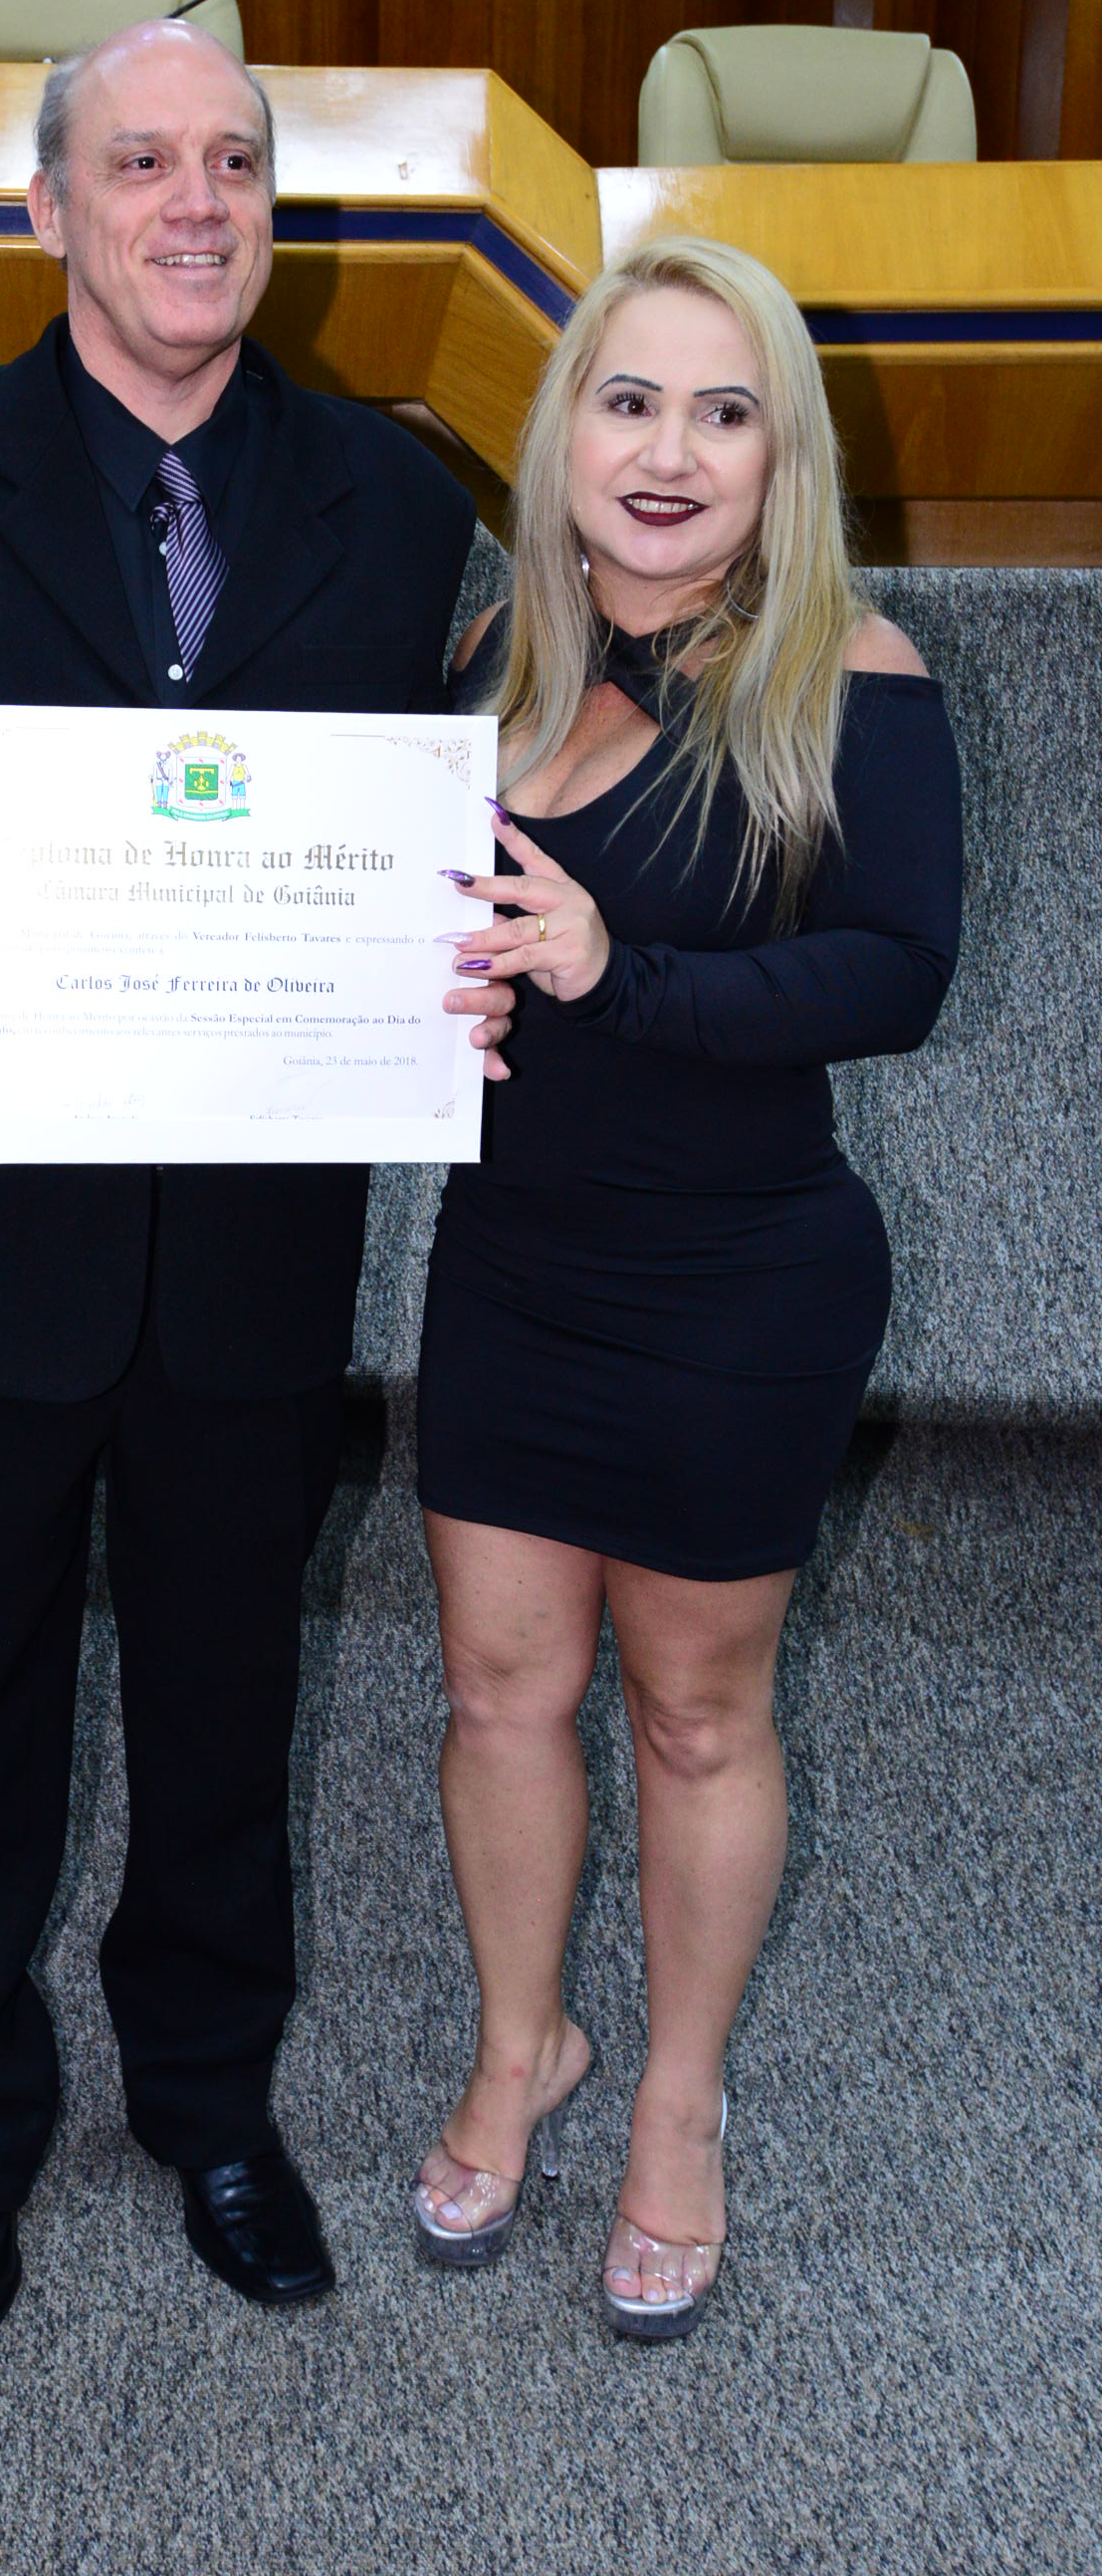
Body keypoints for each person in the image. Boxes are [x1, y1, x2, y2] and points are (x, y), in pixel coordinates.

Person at [0, 15, 514, 2354]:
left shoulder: (394, 501)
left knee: (224, 1697)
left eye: (233, 163)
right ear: (46, 207)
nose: (195, 203)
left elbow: (418, 844)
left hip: (254, 1248)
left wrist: (450, 964)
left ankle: (207, 2100)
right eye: (142, 162)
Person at [408, 234, 962, 2339]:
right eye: (628, 401)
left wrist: (610, 976)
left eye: (723, 413)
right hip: (511, 1267)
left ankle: (673, 2100)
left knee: (696, 1712)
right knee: (496, 1691)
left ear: (777, 456)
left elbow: (893, 977)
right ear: (563, 433)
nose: (667, 450)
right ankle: (519, 2046)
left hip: (737, 1284)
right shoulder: (485, 662)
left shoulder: (852, 673)